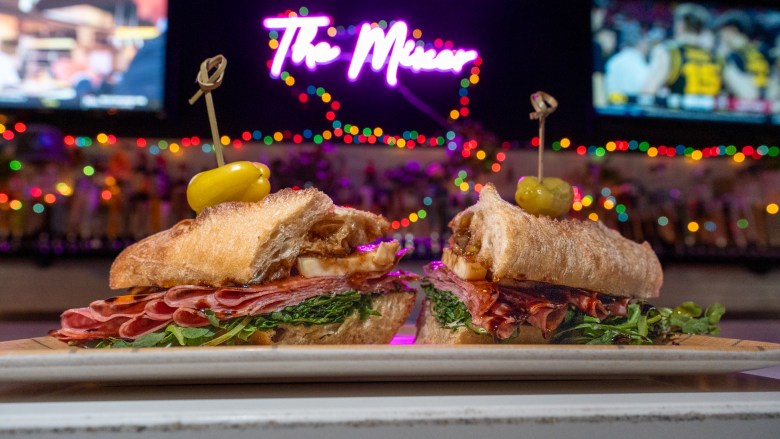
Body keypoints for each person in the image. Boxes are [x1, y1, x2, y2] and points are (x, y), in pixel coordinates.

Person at [641, 3, 721, 99]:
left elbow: (648, 91)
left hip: (679, 113)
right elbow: (743, 92)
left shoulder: (668, 52)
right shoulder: (717, 57)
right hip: (710, 113)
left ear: (680, 24)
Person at [111, 0, 167, 108]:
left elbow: (127, 94)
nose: (135, 1)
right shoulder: (156, 43)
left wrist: (82, 80)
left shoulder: (157, 47)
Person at [714, 10, 770, 100]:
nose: (720, 39)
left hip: (747, 107)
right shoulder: (765, 51)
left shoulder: (733, 57)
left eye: (721, 34)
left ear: (730, 30)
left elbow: (750, 95)